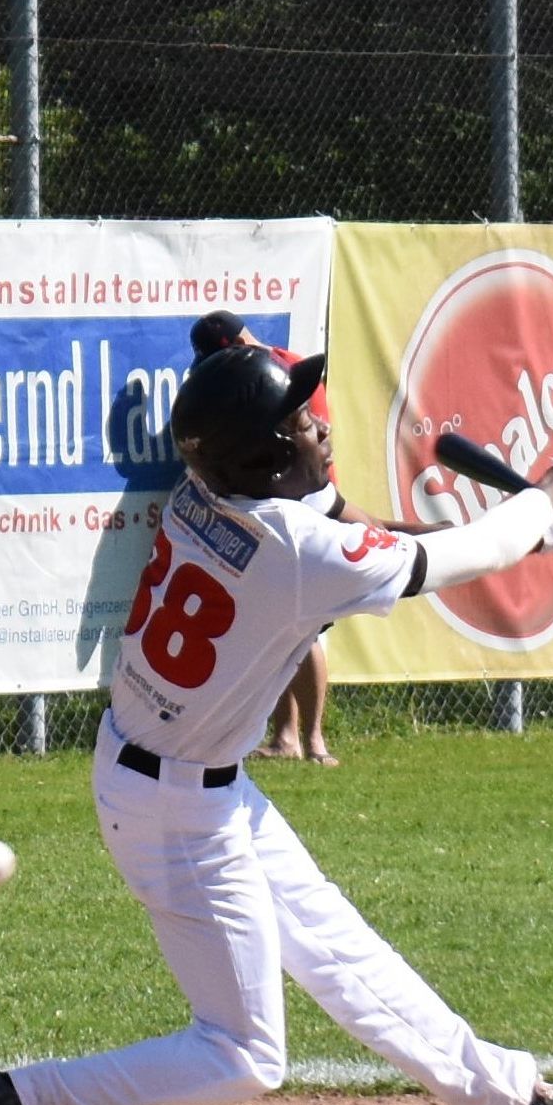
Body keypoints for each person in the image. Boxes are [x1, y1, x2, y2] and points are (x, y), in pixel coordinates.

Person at [0, 343, 553, 1105]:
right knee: (243, 1054)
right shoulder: (292, 549)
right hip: (176, 810)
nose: (317, 426)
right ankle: (9, 1096)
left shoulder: (214, 497)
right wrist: (543, 505)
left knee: (347, 958)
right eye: (298, 422)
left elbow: (369, 540)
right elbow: (444, 561)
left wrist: (534, 529)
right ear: (268, 457)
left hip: (182, 779)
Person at [190, 310, 338, 766]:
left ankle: (313, 738)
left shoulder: (284, 368)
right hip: (271, 500)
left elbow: (314, 435)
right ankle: (286, 735)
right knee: (275, 623)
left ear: (238, 341)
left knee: (305, 627)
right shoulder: (244, 372)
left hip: (301, 494)